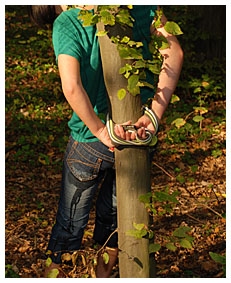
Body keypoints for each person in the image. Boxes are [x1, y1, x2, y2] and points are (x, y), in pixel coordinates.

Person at [28, 5, 183, 278]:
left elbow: (72, 86)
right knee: (114, 225)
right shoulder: (142, 7)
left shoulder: (67, 22)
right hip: (137, 135)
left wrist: (100, 130)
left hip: (89, 141)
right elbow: (175, 52)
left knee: (69, 227)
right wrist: (155, 115)